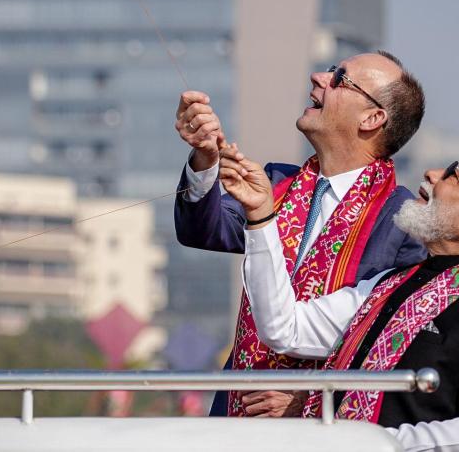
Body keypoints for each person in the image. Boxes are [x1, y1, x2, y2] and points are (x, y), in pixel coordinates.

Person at [222, 149, 459, 451]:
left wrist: (368, 442)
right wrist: (261, 217)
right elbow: (283, 327)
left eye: (454, 175)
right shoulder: (388, 285)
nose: (432, 174)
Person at [173, 51, 428, 416]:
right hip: (235, 416)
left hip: (319, 431)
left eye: (340, 78)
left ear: (372, 118)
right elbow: (202, 230)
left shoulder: (405, 223)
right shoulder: (276, 184)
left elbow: (393, 346)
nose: (318, 78)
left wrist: (311, 399)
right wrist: (204, 158)